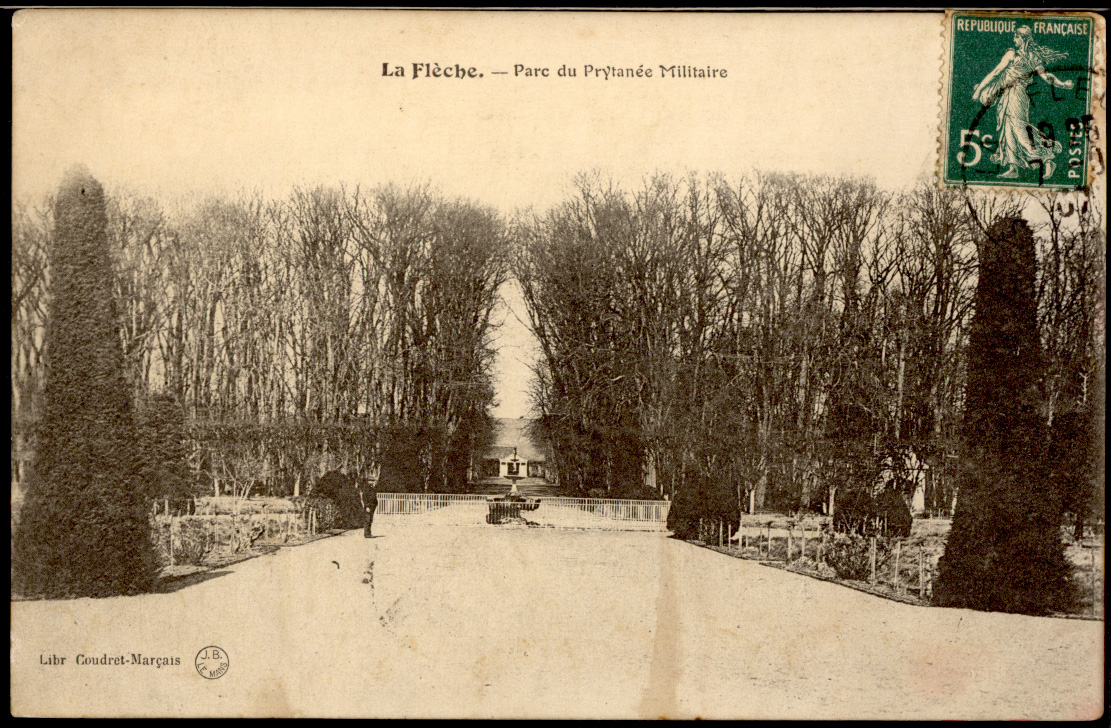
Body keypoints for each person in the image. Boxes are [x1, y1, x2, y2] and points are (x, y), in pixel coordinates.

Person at [972, 26, 1074, 179]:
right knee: (1008, 131)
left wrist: (1062, 84)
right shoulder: (1013, 54)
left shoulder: (1030, 57)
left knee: (1020, 130)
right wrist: (980, 89)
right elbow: (996, 72)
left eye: (1016, 36)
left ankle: (1047, 159)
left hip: (1017, 95)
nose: (1014, 39)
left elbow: (1046, 76)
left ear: (1023, 38)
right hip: (1006, 95)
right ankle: (1013, 168)